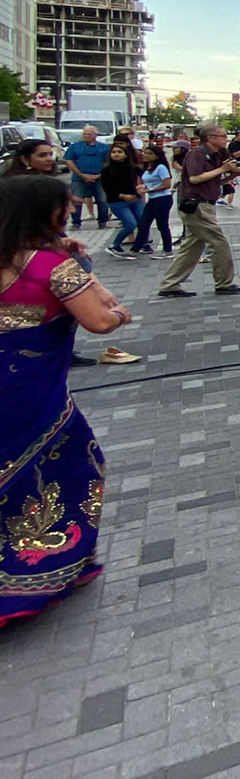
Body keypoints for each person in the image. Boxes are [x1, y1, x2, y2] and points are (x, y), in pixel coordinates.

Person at [0, 177, 133, 630]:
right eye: (65, 205)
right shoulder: (53, 267)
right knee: (70, 463)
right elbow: (99, 321)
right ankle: (35, 565)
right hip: (32, 392)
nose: (73, 207)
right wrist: (119, 314)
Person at [155, 125, 240, 300]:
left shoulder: (218, 154)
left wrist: (229, 177)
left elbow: (212, 180)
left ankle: (169, 284)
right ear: (211, 138)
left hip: (206, 204)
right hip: (196, 204)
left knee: (191, 247)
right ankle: (224, 283)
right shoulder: (196, 154)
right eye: (222, 136)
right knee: (218, 242)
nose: (225, 139)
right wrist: (222, 170)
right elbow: (195, 178)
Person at [100, 138, 144, 259]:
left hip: (135, 200)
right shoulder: (106, 170)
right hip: (117, 202)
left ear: (125, 155)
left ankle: (142, 244)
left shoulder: (133, 168)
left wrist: (140, 190)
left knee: (143, 222)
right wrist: (123, 196)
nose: (116, 154)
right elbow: (107, 188)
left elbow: (146, 177)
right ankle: (115, 245)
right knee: (130, 224)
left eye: (120, 152)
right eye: (114, 152)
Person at [63, 125, 111, 229]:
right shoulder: (74, 147)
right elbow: (69, 161)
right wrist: (81, 174)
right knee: (77, 200)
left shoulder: (104, 148)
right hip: (79, 179)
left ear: (95, 135)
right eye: (84, 134)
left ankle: (103, 222)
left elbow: (108, 162)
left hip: (99, 179)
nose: (86, 136)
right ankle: (76, 223)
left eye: (89, 134)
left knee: (102, 200)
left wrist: (100, 174)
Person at [132, 142, 175, 255]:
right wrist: (144, 187)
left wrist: (149, 190)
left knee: (162, 225)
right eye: (145, 153)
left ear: (156, 156)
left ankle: (168, 249)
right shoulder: (147, 168)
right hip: (152, 199)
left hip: (162, 198)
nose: (146, 155)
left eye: (149, 154)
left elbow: (166, 184)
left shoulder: (161, 168)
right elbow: (150, 183)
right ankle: (135, 250)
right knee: (143, 223)